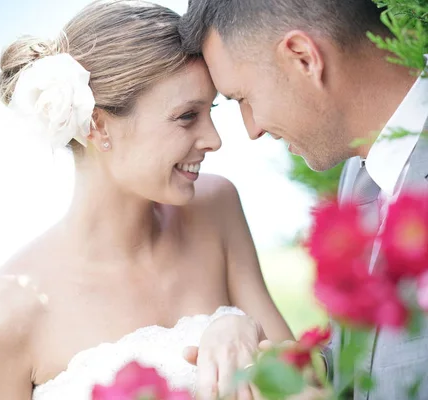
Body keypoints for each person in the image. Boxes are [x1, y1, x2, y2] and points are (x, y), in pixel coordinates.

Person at [0, 1, 294, 399]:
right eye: (187, 116)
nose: (214, 139)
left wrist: (246, 330)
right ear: (97, 125)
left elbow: (306, 381)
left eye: (212, 111)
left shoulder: (216, 207)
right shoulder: (3, 317)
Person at [180, 0, 428, 398]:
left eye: (243, 97)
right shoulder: (361, 171)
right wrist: (285, 366)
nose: (252, 129)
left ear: (304, 58)